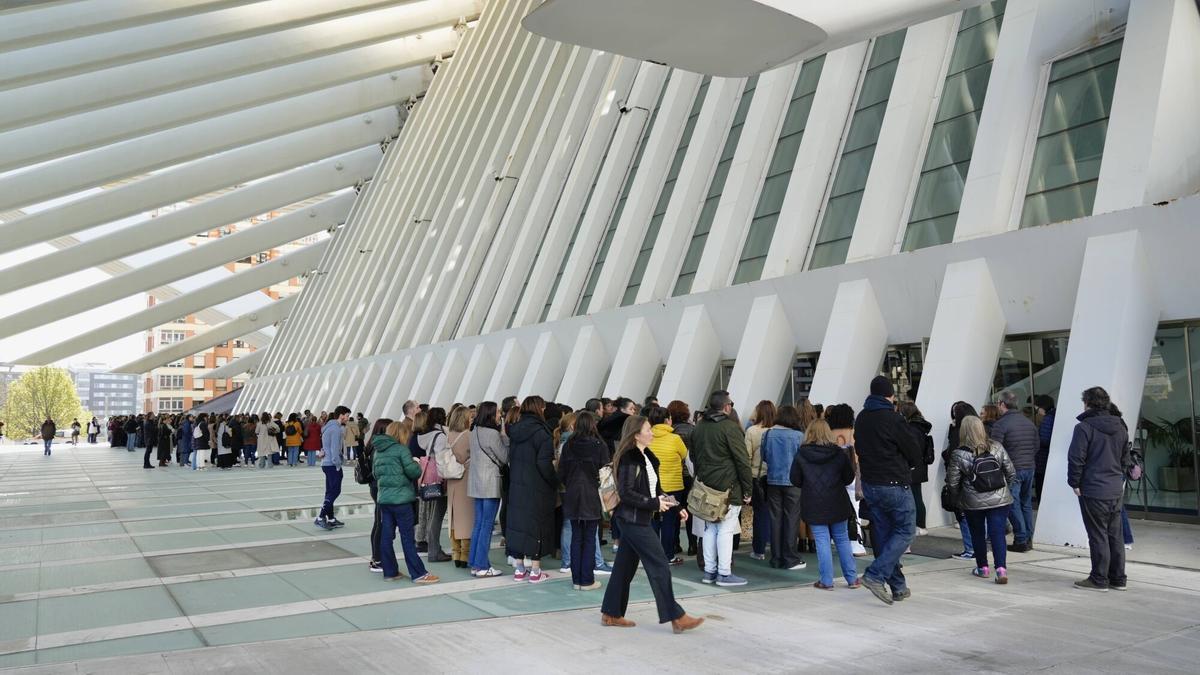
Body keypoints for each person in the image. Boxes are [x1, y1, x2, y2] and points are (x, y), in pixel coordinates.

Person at [600, 416, 703, 633]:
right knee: (660, 565)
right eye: (648, 429)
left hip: (637, 519)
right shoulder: (629, 458)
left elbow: (656, 490)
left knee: (623, 569)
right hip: (632, 520)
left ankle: (611, 613)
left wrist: (676, 506)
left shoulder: (647, 456)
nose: (652, 433)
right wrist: (654, 504)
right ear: (636, 434)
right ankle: (676, 616)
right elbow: (626, 493)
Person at [854, 376, 922, 605]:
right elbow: (913, 452)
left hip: (871, 484)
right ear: (890, 395)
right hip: (894, 483)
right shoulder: (893, 419)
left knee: (884, 536)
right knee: (906, 531)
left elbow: (860, 449)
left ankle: (898, 586)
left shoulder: (862, 418)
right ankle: (874, 575)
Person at [1068, 387, 1131, 592]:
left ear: (1087, 403)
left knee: (1097, 534)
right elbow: (1125, 458)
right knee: (1115, 535)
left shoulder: (1084, 428)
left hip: (1093, 488)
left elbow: (1076, 458)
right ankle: (1118, 578)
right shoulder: (1120, 426)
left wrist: (1075, 483)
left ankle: (1099, 579)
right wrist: (1119, 478)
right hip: (1114, 487)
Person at [691, 391, 753, 587]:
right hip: (728, 487)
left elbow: (693, 456)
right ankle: (724, 573)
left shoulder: (699, 427)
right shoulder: (730, 427)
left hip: (705, 485)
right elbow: (742, 461)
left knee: (710, 528)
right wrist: (748, 490)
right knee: (726, 530)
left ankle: (709, 572)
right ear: (727, 407)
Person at [946, 416, 1017, 584]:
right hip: (999, 500)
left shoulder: (958, 454)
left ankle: (983, 568)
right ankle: (1001, 570)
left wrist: (958, 497)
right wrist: (1003, 490)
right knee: (997, 533)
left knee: (978, 534)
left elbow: (952, 482)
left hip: (972, 502)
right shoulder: (997, 447)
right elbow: (1011, 472)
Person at [790, 419, 859, 589]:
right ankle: (852, 579)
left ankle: (826, 581)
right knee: (842, 539)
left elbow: (795, 479)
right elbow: (849, 477)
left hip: (814, 503)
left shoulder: (801, 454)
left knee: (822, 541)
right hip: (837, 501)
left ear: (809, 433)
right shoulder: (838, 453)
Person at [374, 419, 439, 584]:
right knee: (407, 538)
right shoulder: (401, 450)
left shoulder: (378, 451)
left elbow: (375, 474)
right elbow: (413, 472)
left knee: (386, 536)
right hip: (402, 500)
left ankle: (390, 571)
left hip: (384, 500)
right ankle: (418, 573)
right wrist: (416, 464)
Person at [505, 396, 557, 582]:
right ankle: (535, 570)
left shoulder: (515, 431)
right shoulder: (542, 433)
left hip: (517, 485)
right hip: (537, 486)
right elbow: (544, 464)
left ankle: (519, 569)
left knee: (518, 525)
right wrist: (555, 480)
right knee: (537, 525)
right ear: (539, 409)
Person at [558, 411, 608, 590]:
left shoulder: (568, 445)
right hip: (592, 494)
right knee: (590, 538)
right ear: (593, 425)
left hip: (572, 494)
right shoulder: (599, 445)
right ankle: (587, 580)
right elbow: (605, 473)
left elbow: (561, 473)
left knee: (576, 536)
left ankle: (576, 580)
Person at [990, 390, 1040, 552]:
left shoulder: (1001, 424)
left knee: (1012, 503)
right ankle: (1028, 538)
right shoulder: (1029, 423)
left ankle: (1021, 539)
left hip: (1012, 469)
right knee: (1026, 503)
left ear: (1002, 404)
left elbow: (995, 450)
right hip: (1029, 467)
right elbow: (1036, 446)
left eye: (997, 403)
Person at [762, 404, 806, 570]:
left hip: (773, 481)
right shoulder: (799, 436)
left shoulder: (768, 434)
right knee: (792, 519)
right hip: (793, 482)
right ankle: (790, 558)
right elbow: (803, 459)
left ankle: (776, 557)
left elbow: (764, 456)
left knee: (775, 519)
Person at [467, 401, 508, 577]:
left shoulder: (474, 431)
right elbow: (504, 457)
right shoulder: (492, 433)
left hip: (476, 482)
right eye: (497, 412)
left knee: (478, 524)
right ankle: (483, 565)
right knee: (487, 524)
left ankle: (475, 563)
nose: (500, 415)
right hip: (490, 482)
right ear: (491, 414)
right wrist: (504, 436)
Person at [645, 406, 688, 565]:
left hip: (653, 486)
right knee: (669, 522)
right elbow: (684, 455)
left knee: (654, 521)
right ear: (667, 420)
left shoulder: (647, 437)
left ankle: (654, 555)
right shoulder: (675, 438)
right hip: (672, 486)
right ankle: (668, 555)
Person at [826, 403, 868, 557]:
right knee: (854, 508)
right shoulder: (854, 433)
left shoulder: (828, 434)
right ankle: (856, 543)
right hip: (853, 474)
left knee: (834, 508)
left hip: (833, 476)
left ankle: (836, 538)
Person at [415, 407, 451, 563]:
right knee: (437, 516)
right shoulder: (440, 436)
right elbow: (442, 460)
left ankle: (434, 549)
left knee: (432, 515)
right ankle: (434, 551)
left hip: (428, 479)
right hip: (439, 480)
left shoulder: (424, 434)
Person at [897, 402, 935, 536]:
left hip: (913, 467)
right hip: (919, 466)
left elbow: (911, 449)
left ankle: (920, 525)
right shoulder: (920, 427)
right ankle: (920, 525)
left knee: (915, 496)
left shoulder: (911, 429)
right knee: (916, 495)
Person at [744, 401, 775, 561]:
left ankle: (759, 549)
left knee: (760, 513)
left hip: (757, 476)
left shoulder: (752, 431)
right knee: (775, 513)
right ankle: (775, 545)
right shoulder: (776, 431)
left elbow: (746, 456)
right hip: (775, 477)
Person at [444, 406, 474, 569]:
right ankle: (465, 555)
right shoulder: (468, 435)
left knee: (454, 518)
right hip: (465, 478)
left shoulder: (447, 435)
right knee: (467, 518)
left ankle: (455, 553)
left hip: (451, 479)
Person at [362, 418, 392, 573]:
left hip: (375, 487)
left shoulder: (372, 445)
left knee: (378, 522)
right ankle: (377, 559)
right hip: (380, 487)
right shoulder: (380, 448)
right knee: (380, 523)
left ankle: (376, 557)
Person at [315, 406, 350, 530]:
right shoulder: (336, 429)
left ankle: (330, 518)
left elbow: (326, 445)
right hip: (332, 464)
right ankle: (320, 517)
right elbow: (335, 449)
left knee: (330, 492)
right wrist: (338, 464)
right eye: (347, 416)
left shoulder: (328, 427)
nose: (348, 418)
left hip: (326, 463)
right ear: (341, 415)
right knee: (335, 491)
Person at [1035, 395, 1056, 502]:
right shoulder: (1055, 415)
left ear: (1043, 407)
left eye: (1037, 407)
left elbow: (1045, 440)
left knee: (1040, 486)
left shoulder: (1048, 418)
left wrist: (1035, 439)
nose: (1037, 411)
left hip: (1043, 459)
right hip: (1048, 457)